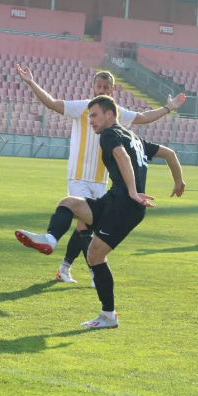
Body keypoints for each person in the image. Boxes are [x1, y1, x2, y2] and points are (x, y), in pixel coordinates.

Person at [14, 95, 185, 329]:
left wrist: (133, 192)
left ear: (110, 114)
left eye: (94, 115)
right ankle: (50, 239)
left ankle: (108, 316)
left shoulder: (109, 134)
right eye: (89, 116)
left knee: (95, 256)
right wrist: (178, 181)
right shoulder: (134, 138)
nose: (91, 120)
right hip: (113, 201)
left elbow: (122, 157)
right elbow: (170, 154)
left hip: (125, 206)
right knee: (69, 203)